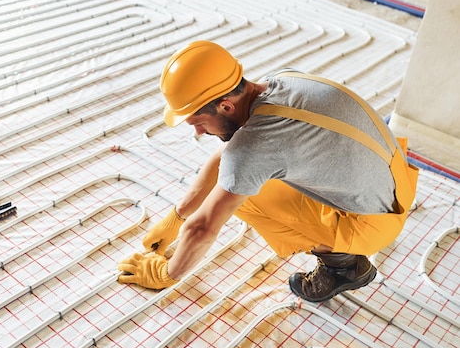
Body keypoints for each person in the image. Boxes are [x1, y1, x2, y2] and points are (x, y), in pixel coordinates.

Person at [117, 40, 419, 302]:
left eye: (197, 121)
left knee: (243, 196)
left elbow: (204, 228)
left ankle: (342, 266)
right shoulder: (280, 80)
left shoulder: (254, 146)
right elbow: (226, 157)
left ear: (225, 107)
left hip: (374, 222)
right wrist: (177, 216)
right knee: (238, 173)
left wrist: (166, 274)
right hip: (393, 179)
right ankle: (343, 250)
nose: (197, 132)